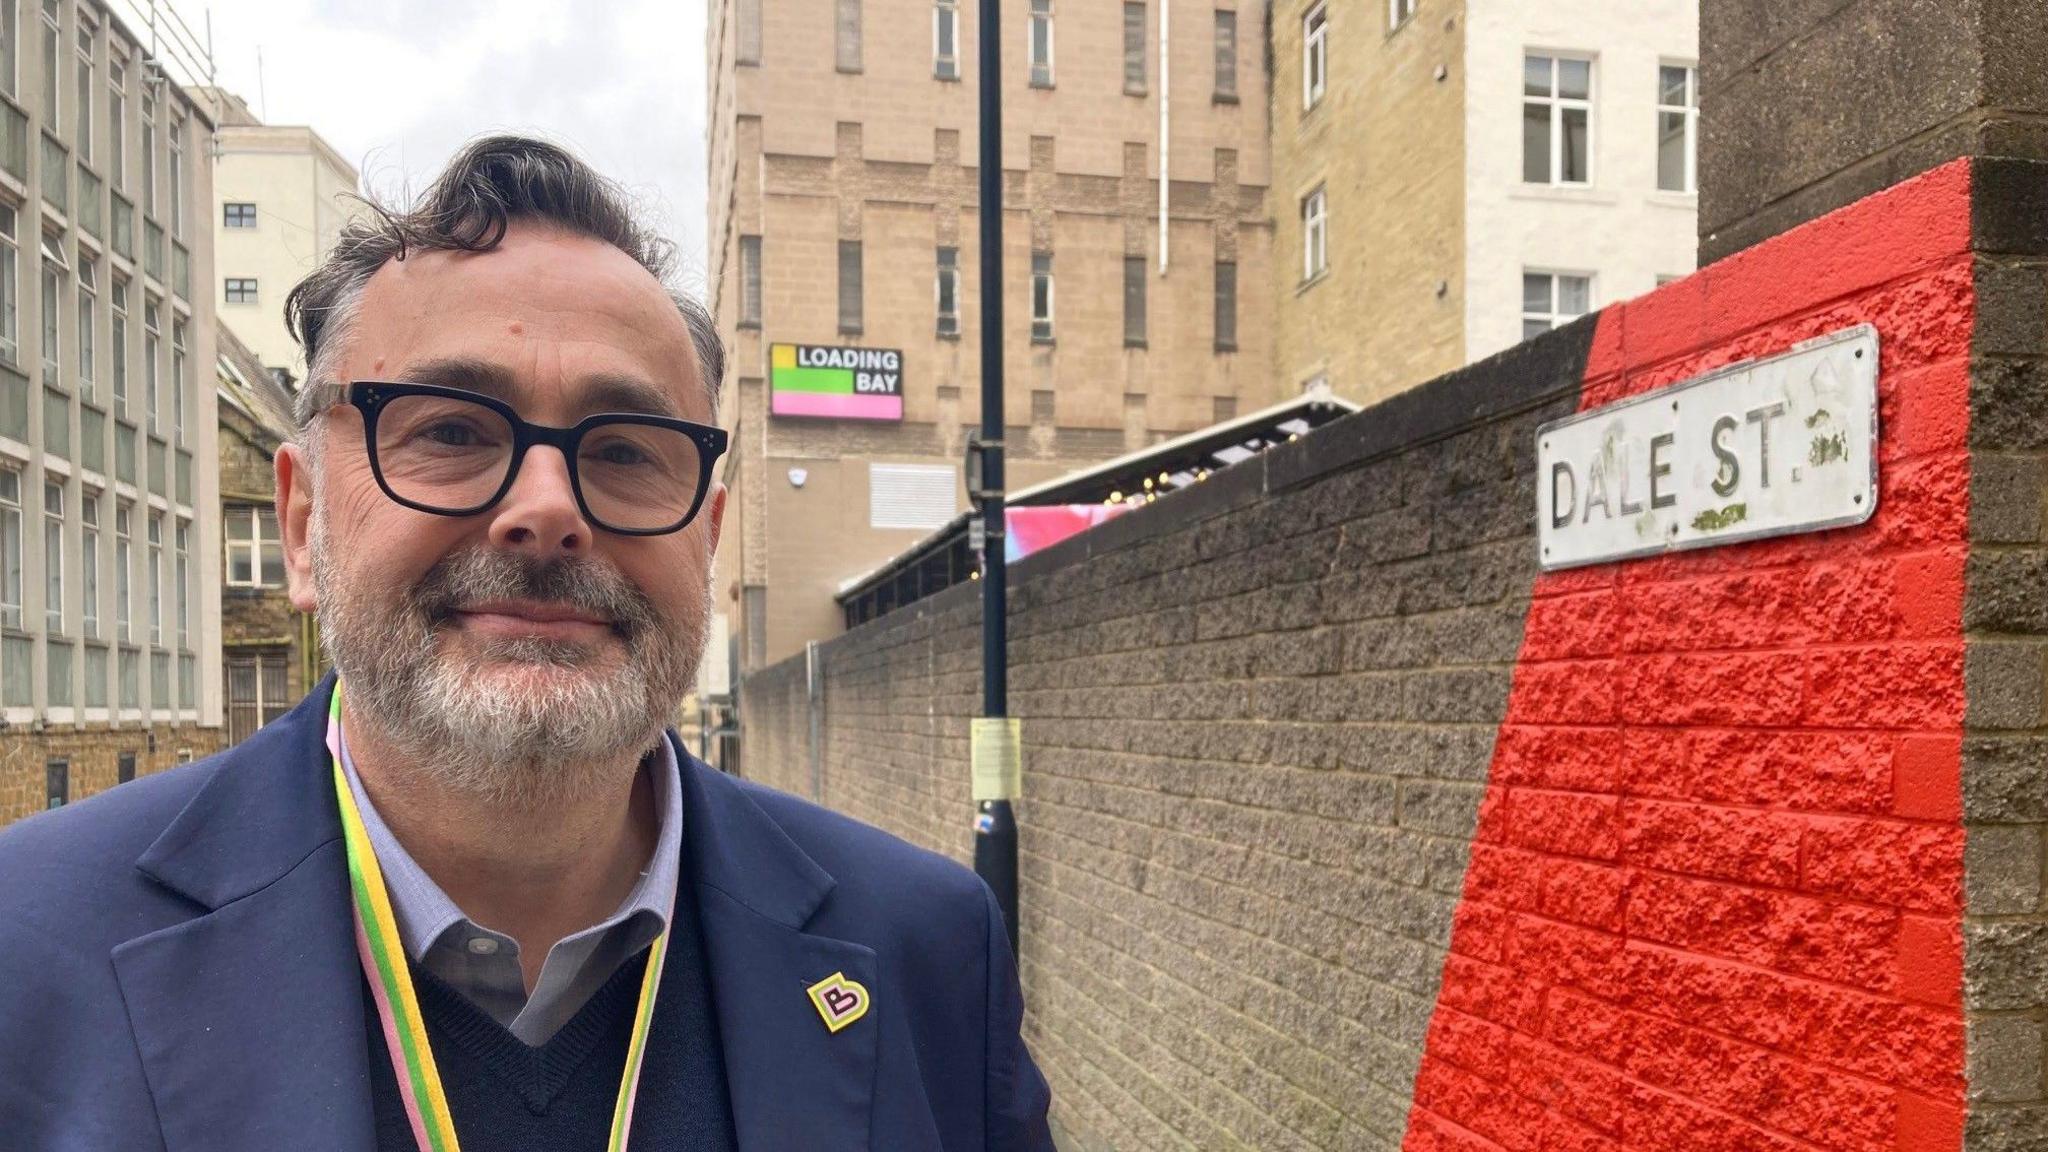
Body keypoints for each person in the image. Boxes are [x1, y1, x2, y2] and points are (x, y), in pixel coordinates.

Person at [0, 135, 1053, 1151]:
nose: (547, 511)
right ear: (303, 524)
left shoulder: (925, 949)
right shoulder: (30, 950)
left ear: (710, 540)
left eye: (627, 450)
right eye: (452, 431)